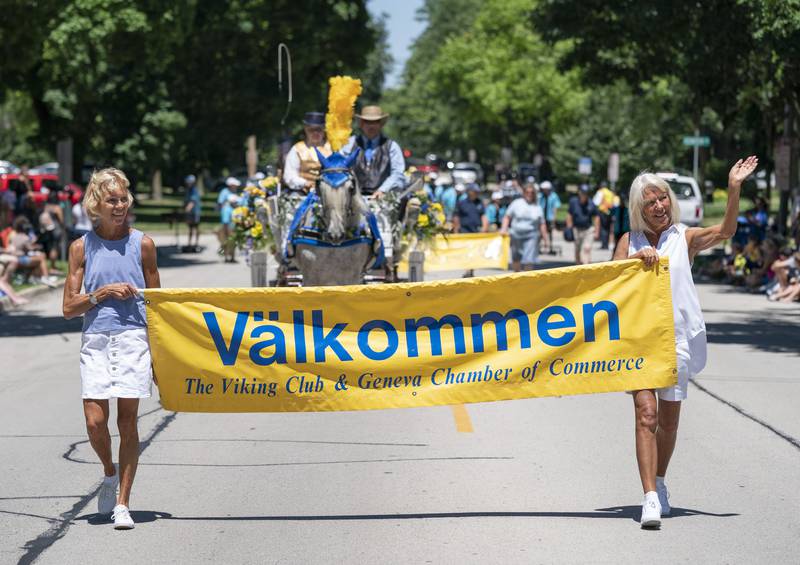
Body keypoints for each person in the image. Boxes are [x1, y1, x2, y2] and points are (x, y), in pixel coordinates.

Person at [612, 156, 758, 529]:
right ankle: (648, 498)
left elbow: (725, 231)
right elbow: (607, 287)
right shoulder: (629, 242)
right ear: (639, 209)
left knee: (669, 424)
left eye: (662, 199)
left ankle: (660, 483)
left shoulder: (685, 238)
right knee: (646, 414)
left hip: (675, 342)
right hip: (638, 343)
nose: (659, 206)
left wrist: (734, 188)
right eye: (650, 202)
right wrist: (633, 264)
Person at [62, 167, 161, 530]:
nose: (119, 206)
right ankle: (108, 471)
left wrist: (159, 356)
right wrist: (100, 294)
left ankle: (123, 503)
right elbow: (69, 308)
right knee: (95, 422)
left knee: (127, 422)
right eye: (112, 200)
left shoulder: (143, 244)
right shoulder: (80, 248)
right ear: (95, 205)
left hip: (134, 338)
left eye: (123, 199)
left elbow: (157, 303)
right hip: (97, 340)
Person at [341, 105, 406, 199]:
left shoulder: (392, 146)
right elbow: (341, 169)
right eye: (367, 122)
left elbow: (398, 173)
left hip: (383, 199)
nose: (371, 126)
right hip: (352, 197)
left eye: (375, 122)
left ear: (381, 124)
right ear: (361, 124)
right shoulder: (349, 144)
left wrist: (382, 190)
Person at [501, 183, 549, 271]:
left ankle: (527, 281)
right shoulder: (516, 203)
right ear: (524, 193)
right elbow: (507, 217)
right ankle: (517, 277)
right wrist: (504, 228)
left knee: (529, 260)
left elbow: (542, 224)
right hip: (516, 234)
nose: (529, 194)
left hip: (531, 235)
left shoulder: (537, 207)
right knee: (516, 258)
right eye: (527, 192)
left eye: (532, 193)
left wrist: (546, 239)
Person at [282, 112, 333, 193]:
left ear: (324, 130)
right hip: (303, 194)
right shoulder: (297, 149)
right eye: (312, 130)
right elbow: (289, 175)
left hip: (330, 192)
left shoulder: (332, 148)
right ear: (306, 129)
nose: (315, 133)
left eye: (319, 129)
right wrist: (304, 183)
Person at [8, 217, 57, 287]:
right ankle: (45, 277)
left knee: (37, 259)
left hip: (14, 258)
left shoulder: (14, 237)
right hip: (21, 259)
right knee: (41, 258)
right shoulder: (25, 237)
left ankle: (34, 277)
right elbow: (30, 248)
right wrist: (37, 246)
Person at [453, 183, 488, 277]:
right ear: (469, 192)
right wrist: (456, 230)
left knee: (474, 252)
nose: (476, 193)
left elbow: (483, 216)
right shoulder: (462, 203)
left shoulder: (480, 203)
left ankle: (471, 270)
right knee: (466, 251)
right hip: (465, 232)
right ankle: (467, 270)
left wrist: (485, 228)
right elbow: (456, 217)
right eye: (474, 191)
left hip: (476, 232)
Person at [566, 185, 600, 264]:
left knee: (587, 248)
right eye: (582, 193)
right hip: (576, 229)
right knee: (577, 250)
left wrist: (597, 231)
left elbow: (596, 217)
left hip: (588, 230)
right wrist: (569, 228)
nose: (584, 195)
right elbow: (569, 215)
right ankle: (578, 266)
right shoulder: (573, 202)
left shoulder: (591, 203)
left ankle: (586, 267)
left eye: (586, 193)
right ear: (579, 193)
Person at [39, 190, 65, 271]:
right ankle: (53, 267)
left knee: (50, 247)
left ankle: (51, 266)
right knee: (55, 247)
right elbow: (61, 220)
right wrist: (63, 228)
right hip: (56, 228)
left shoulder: (46, 206)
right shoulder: (57, 207)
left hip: (48, 229)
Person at [216, 177, 240, 263]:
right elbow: (220, 204)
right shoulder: (224, 193)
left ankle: (232, 256)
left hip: (235, 220)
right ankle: (226, 256)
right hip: (227, 222)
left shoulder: (235, 193)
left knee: (234, 239)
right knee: (226, 238)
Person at [539, 181, 561, 254]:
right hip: (541, 217)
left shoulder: (554, 196)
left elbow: (555, 207)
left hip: (549, 217)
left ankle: (550, 247)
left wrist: (554, 218)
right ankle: (539, 247)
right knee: (540, 233)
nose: (544, 190)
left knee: (550, 232)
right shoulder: (540, 196)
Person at [182, 175, 202, 252]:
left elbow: (192, 202)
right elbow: (186, 201)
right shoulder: (188, 190)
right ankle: (189, 244)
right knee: (190, 228)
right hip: (190, 213)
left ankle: (196, 244)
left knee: (196, 227)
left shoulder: (194, 190)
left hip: (195, 212)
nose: (188, 184)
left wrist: (187, 209)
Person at [593, 184, 616, 249]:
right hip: (610, 211)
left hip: (603, 211)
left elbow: (596, 202)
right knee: (608, 228)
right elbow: (613, 203)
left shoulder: (601, 192)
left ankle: (604, 245)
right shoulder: (610, 193)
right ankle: (607, 244)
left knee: (603, 228)